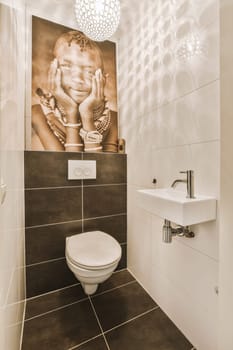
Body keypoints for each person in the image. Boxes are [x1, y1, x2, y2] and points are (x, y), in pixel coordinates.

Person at [32, 30, 118, 152]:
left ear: (103, 80)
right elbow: (68, 167)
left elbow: (100, 169)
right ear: (53, 70)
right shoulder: (37, 114)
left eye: (89, 72)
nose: (78, 79)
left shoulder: (113, 119)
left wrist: (87, 114)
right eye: (67, 66)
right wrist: (71, 112)